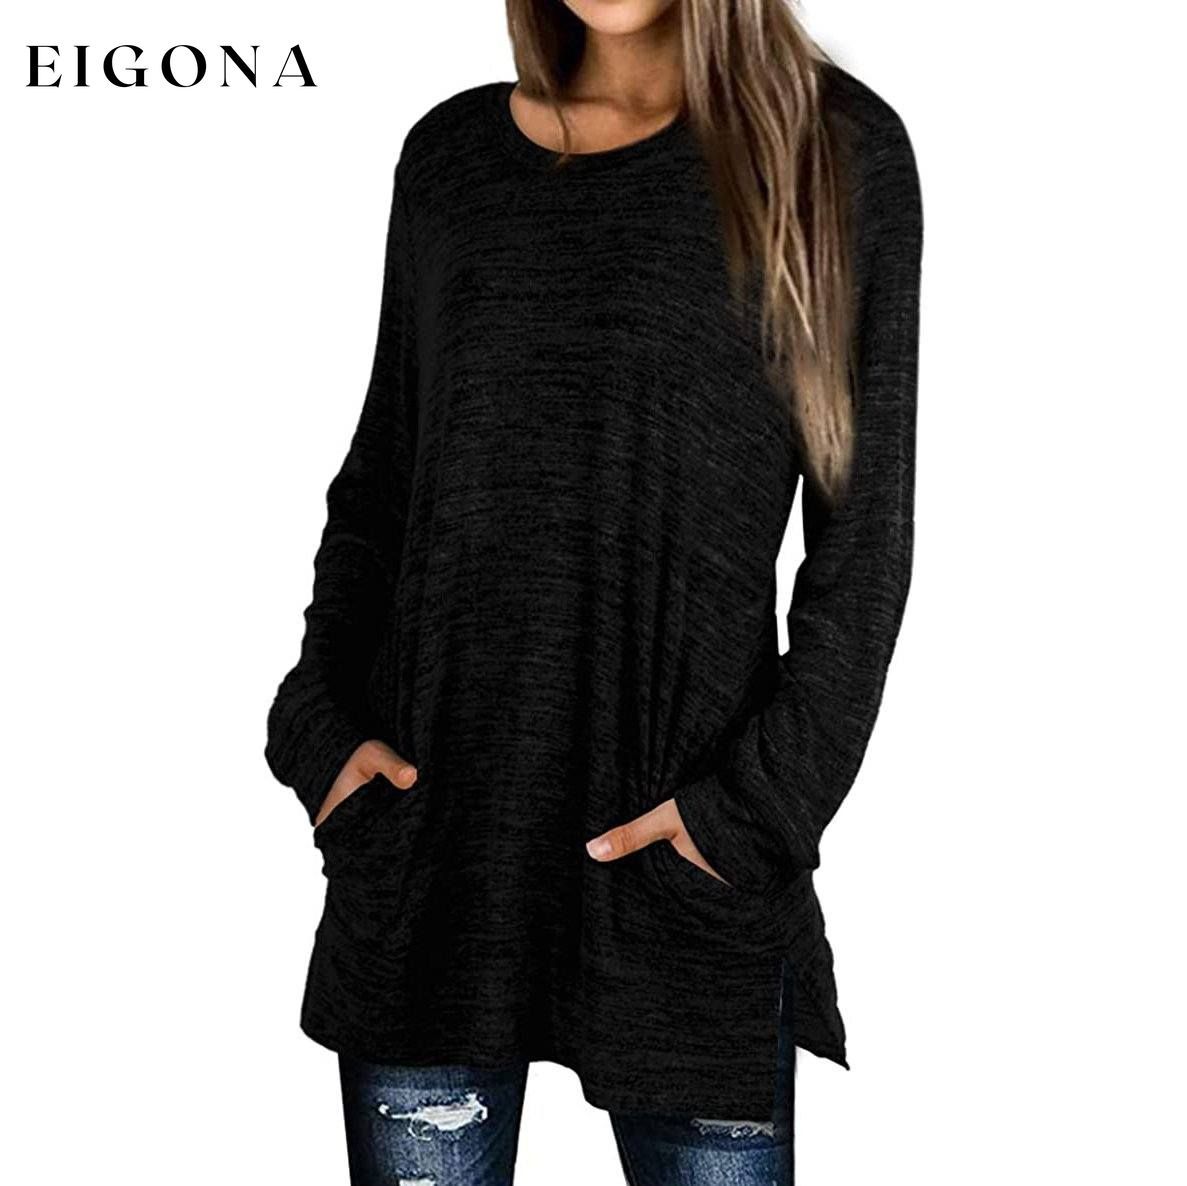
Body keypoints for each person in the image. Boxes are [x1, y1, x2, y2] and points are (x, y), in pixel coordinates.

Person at [264, 1, 923, 1181]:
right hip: (430, 867)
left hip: (684, 887)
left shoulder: (829, 152)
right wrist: (318, 732)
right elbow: (381, 487)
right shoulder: (449, 159)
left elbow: (860, 547)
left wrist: (750, 818)